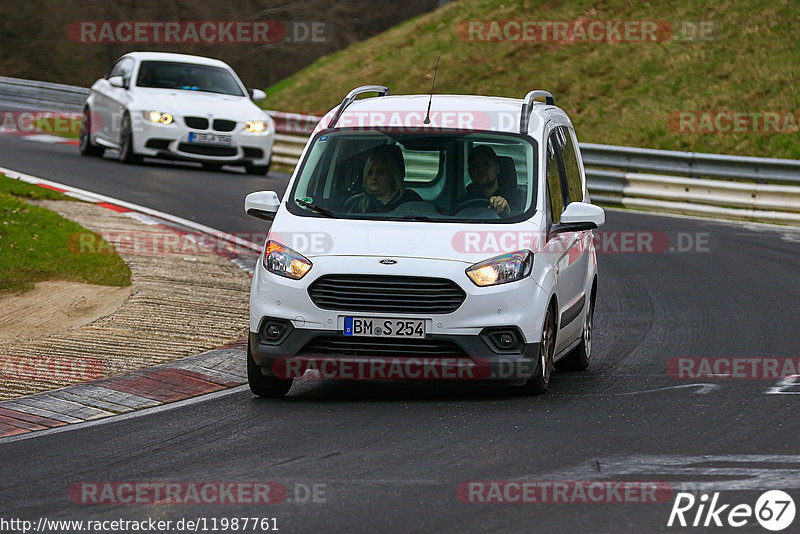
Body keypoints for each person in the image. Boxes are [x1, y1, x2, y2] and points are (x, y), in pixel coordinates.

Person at [343, 145, 422, 214]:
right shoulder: (354, 204)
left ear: (392, 176)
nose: (374, 177)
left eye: (380, 172)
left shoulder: (410, 201)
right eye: (370, 173)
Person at [463, 145, 524, 216]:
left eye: (486, 164)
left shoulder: (519, 199)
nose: (481, 170)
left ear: (497, 169)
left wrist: (506, 211)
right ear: (469, 171)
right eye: (476, 165)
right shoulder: (463, 200)